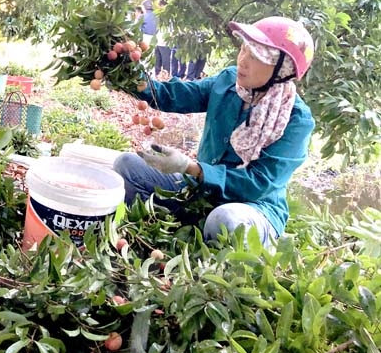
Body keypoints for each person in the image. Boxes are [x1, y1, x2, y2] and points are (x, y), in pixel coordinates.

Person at [113, 16, 315, 246]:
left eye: (256, 57)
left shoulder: (296, 120)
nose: (243, 61)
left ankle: (229, 258)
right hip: (201, 191)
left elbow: (257, 184)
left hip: (253, 208)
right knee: (127, 165)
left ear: (282, 70)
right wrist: (127, 74)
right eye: (244, 50)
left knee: (225, 220)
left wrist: (190, 168)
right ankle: (143, 235)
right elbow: (174, 95)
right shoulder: (228, 81)